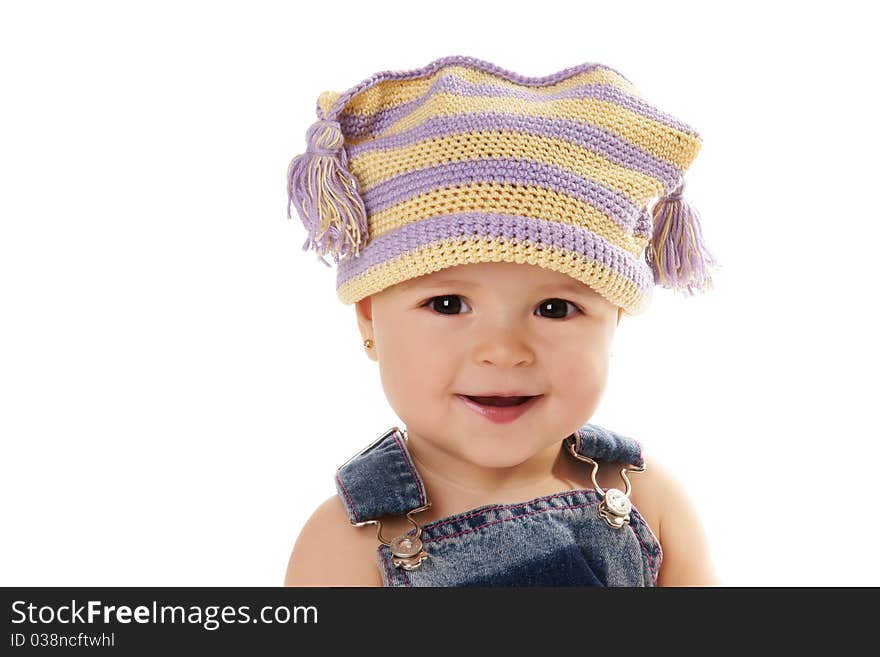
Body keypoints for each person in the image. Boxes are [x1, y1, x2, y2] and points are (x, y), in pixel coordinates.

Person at [283, 55, 721, 586]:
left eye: (555, 309)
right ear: (369, 318)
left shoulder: (644, 501)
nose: (504, 350)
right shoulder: (346, 546)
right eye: (448, 305)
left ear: (616, 321)